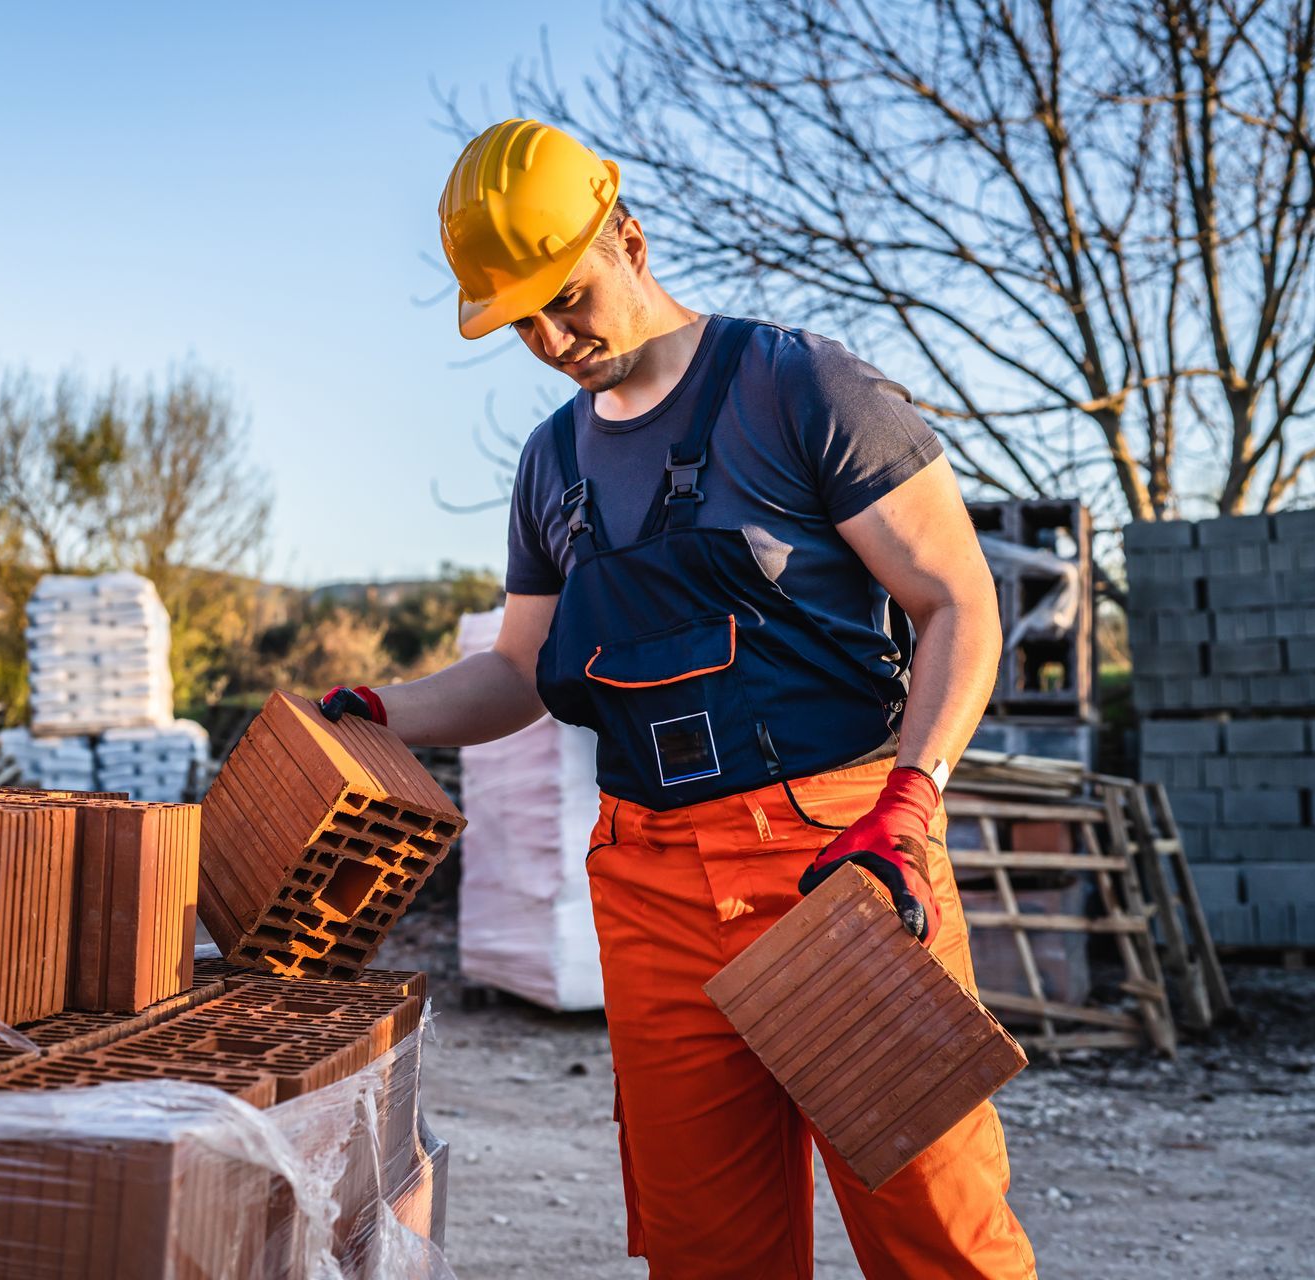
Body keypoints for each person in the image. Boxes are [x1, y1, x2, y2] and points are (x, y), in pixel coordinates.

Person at [322, 119, 1036, 1278]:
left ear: (630, 238)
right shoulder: (551, 464)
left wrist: (910, 803)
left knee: (936, 1227)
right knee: (707, 1246)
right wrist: (382, 708)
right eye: (524, 323)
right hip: (650, 889)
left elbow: (959, 602)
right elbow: (518, 668)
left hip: (836, 863)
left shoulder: (802, 386)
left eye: (570, 297)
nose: (555, 339)